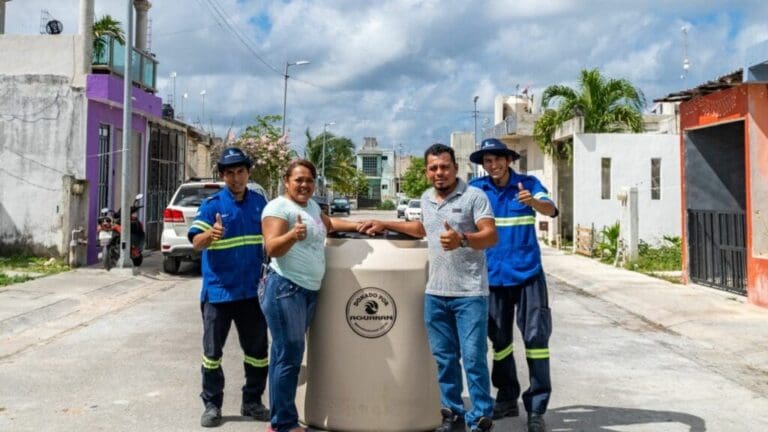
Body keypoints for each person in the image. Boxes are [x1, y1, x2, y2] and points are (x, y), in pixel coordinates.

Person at [359, 143, 498, 432]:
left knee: (473, 359)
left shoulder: (475, 196)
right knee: (445, 360)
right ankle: (452, 415)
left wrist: (462, 239)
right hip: (435, 293)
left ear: (455, 168)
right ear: (426, 172)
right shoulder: (425, 198)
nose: (439, 172)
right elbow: (422, 229)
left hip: (470, 294)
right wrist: (385, 224)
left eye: (445, 166)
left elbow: (490, 236)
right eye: (433, 168)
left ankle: (480, 418)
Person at [260, 159, 361, 432]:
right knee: (289, 356)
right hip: (286, 289)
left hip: (306, 290)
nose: (304, 185)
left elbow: (329, 223)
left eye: (309, 180)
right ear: (286, 181)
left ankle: (278, 421)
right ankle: (284, 424)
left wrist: (361, 225)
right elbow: (272, 248)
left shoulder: (312, 207)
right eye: (298, 180)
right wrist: (293, 235)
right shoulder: (278, 208)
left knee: (283, 354)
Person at [468, 138, 559, 432]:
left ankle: (536, 408)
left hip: (528, 275)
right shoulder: (477, 190)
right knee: (500, 342)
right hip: (493, 278)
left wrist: (533, 203)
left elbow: (550, 209)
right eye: (487, 161)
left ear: (508, 160)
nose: (493, 165)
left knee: (536, 341)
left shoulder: (528, 184)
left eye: (498, 159)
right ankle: (507, 398)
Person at [187, 147, 271, 428]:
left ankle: (252, 402)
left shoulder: (259, 203)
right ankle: (212, 405)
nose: (236, 178)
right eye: (230, 173)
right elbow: (196, 241)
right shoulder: (212, 205)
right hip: (219, 293)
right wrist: (209, 235)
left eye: (241, 172)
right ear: (222, 176)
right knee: (212, 354)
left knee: (257, 353)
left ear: (248, 173)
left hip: (252, 293)